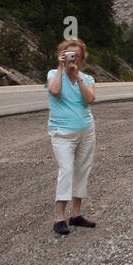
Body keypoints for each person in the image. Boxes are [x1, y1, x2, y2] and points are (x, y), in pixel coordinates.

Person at [45, 39, 98, 235]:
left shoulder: (88, 78)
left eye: (76, 55)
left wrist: (78, 77)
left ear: (82, 58)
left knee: (82, 170)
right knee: (66, 170)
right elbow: (55, 91)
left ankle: (76, 214)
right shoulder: (53, 74)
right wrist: (61, 68)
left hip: (86, 130)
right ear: (62, 55)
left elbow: (89, 99)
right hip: (62, 132)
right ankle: (59, 217)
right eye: (68, 55)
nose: (72, 58)